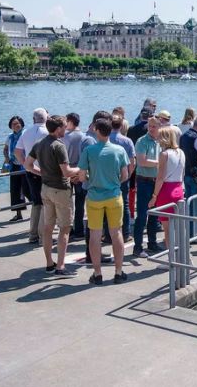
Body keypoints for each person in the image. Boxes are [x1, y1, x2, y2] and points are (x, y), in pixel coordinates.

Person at [24, 115, 79, 277]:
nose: (66, 129)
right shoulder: (58, 146)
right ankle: (60, 266)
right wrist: (82, 170)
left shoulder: (39, 143)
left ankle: (49, 263)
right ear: (58, 128)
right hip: (60, 190)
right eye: (64, 126)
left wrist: (42, 173)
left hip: (46, 188)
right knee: (64, 228)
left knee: (48, 227)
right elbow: (67, 172)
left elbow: (27, 165)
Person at [78, 118, 130, 285]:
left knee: (95, 234)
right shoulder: (119, 150)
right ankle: (118, 271)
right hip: (114, 196)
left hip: (94, 197)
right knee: (116, 233)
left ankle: (97, 273)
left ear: (98, 131)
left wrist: (91, 179)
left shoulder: (89, 150)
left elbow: (81, 176)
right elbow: (125, 175)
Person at [14, 108, 49, 244]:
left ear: (34, 118)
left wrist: (25, 164)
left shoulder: (26, 132)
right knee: (46, 203)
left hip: (30, 171)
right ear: (46, 118)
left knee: (36, 203)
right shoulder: (48, 132)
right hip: (45, 171)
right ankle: (42, 236)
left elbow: (17, 151)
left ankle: (33, 234)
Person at [147, 126, 185, 252]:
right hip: (178, 189)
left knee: (167, 230)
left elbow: (160, 177)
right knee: (179, 228)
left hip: (166, 191)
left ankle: (171, 259)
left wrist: (154, 196)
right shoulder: (181, 152)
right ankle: (186, 256)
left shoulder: (164, 154)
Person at [133, 116, 163, 257]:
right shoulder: (142, 141)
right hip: (144, 180)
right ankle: (138, 247)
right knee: (142, 215)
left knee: (154, 214)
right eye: (150, 126)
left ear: (159, 127)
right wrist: (159, 163)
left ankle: (152, 243)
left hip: (156, 181)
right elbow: (142, 161)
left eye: (154, 126)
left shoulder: (160, 141)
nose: (151, 129)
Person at [109, 115, 136, 241]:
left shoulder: (105, 139)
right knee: (124, 204)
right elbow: (132, 161)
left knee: (106, 204)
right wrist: (129, 174)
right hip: (122, 176)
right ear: (121, 126)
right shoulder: (127, 141)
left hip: (107, 176)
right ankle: (125, 233)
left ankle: (107, 234)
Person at [63, 113, 87, 241]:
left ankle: (69, 228)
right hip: (80, 171)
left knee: (67, 203)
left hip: (67, 171)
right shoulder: (84, 137)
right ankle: (79, 230)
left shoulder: (65, 137)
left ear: (71, 122)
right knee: (80, 202)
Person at [3, 115, 30, 222]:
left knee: (27, 188)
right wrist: (7, 158)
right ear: (10, 126)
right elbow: (5, 149)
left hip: (25, 165)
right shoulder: (10, 137)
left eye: (18, 123)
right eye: (13, 124)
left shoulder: (25, 135)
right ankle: (18, 213)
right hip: (14, 164)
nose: (16, 126)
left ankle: (38, 208)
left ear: (22, 124)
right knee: (15, 189)